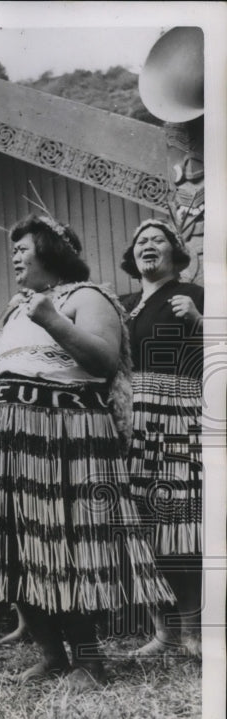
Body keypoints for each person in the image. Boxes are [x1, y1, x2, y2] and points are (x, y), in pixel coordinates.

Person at [0, 214, 174, 689]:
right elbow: (3, 384)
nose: (14, 257)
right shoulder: (13, 312)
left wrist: (52, 318)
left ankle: (89, 661)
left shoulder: (87, 296)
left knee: (67, 546)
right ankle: (52, 654)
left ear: (50, 251)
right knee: (16, 547)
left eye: (23, 248)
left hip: (66, 433)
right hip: (9, 435)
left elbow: (103, 359)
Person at [119, 219, 204, 658]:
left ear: (176, 252)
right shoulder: (124, 306)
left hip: (179, 417)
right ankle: (162, 632)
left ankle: (191, 632)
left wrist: (200, 321)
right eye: (140, 241)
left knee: (181, 526)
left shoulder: (194, 296)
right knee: (144, 525)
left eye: (157, 240)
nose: (148, 246)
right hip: (135, 419)